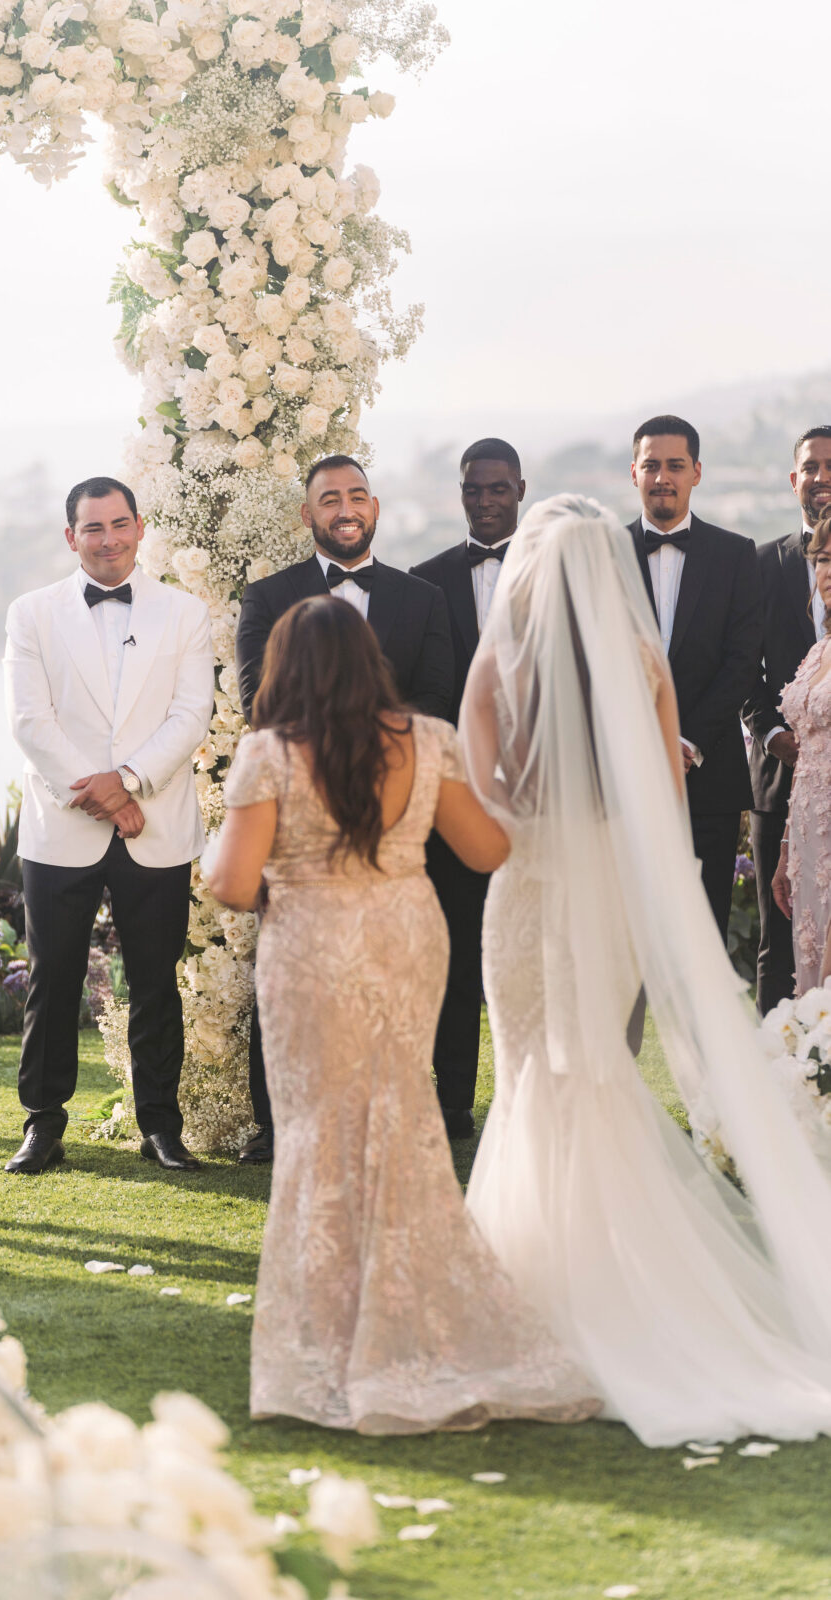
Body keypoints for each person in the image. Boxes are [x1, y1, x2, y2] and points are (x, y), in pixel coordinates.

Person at [461, 492, 831, 1448]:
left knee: (526, 1076)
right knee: (595, 1071)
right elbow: (666, 809)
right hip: (616, 899)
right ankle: (620, 1288)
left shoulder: (498, 662)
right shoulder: (642, 664)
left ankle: (532, 1281)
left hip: (527, 892)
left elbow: (478, 805)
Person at [204, 596, 598, 1433]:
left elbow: (233, 885)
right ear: (368, 660)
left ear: (284, 668)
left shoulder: (267, 755)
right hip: (406, 934)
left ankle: (333, 1335)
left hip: (312, 945)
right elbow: (487, 851)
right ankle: (413, 1320)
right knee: (403, 1116)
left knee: (317, 1130)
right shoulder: (429, 739)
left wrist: (275, 872)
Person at [233, 454, 454, 1162]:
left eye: (356, 495)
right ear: (307, 515)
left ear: (376, 507)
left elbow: (436, 698)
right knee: (290, 977)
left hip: (391, 824)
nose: (345, 507)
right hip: (297, 820)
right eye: (329, 498)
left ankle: (416, 1111)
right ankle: (275, 1124)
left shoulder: (421, 599)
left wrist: (370, 755)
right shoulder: (267, 598)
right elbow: (255, 705)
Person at [3, 476, 214, 1175]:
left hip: (154, 824)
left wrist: (127, 785)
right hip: (60, 828)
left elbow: (190, 717)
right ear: (71, 537)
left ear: (140, 526)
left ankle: (160, 1125)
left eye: (119, 524)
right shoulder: (30, 613)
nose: (109, 539)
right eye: (93, 528)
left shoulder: (184, 612)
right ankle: (42, 1124)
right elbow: (31, 721)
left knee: (154, 982)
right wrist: (99, 794)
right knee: (52, 976)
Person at [410, 438, 525, 1137]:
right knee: (452, 958)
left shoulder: (557, 577)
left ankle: (526, 1100)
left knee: (525, 956)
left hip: (538, 797)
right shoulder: (426, 582)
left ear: (519, 487)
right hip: (451, 801)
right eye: (471, 490)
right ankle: (452, 1101)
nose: (484, 501)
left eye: (496, 488)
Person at [626, 415, 762, 942]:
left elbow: (742, 661)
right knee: (628, 949)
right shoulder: (603, 556)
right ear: (633, 472)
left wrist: (684, 741)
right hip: (625, 783)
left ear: (697, 472)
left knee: (702, 942)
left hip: (708, 780)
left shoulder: (736, 555)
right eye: (652, 465)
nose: (663, 477)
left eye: (675, 466)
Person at [744, 428, 830, 1011]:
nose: (822, 476)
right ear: (793, 478)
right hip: (783, 787)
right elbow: (740, 668)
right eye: (811, 467)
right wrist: (774, 736)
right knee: (782, 941)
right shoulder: (758, 565)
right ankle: (780, 1078)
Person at [771, 512, 831, 995]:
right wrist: (786, 851)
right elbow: (808, 755)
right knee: (808, 975)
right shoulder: (818, 653)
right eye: (822, 559)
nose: (827, 572)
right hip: (808, 843)